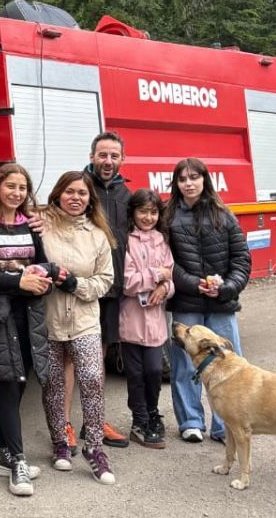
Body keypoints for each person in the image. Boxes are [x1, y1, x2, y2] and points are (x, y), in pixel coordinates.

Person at [0, 163, 57, 497]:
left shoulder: (31, 226)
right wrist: (19, 280)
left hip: (28, 316)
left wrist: (41, 275)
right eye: (10, 186)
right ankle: (18, 460)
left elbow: (44, 262)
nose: (16, 193)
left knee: (19, 385)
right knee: (8, 385)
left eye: (22, 188)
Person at [162, 157, 251, 444]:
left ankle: (225, 426)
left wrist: (226, 288)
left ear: (204, 180)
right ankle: (191, 422)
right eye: (182, 179)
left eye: (194, 177)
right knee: (185, 365)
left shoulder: (224, 214)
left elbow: (241, 259)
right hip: (187, 303)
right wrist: (193, 284)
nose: (188, 183)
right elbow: (165, 262)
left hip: (221, 303)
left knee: (227, 362)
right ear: (176, 183)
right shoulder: (168, 216)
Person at [37, 170, 117, 484]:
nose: (76, 198)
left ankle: (95, 448)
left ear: (90, 199)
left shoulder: (98, 234)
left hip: (85, 321)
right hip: (49, 320)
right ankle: (60, 442)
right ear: (58, 194)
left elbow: (106, 280)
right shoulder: (41, 225)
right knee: (53, 386)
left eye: (82, 193)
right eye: (69, 192)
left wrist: (75, 283)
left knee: (92, 379)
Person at [82, 131, 133, 449]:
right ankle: (64, 427)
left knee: (98, 359)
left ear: (122, 160)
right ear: (92, 157)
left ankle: (94, 422)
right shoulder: (79, 188)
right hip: (80, 289)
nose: (108, 161)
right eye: (103, 155)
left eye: (114, 156)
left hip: (111, 291)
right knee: (73, 360)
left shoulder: (127, 196)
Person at [120, 189, 175, 449]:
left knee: (154, 371)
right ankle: (139, 420)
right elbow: (127, 283)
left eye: (153, 212)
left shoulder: (161, 241)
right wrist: (156, 275)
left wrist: (165, 288)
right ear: (132, 212)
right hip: (131, 321)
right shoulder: (126, 241)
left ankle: (153, 413)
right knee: (135, 374)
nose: (148, 217)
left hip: (155, 323)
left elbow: (171, 277)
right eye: (143, 211)